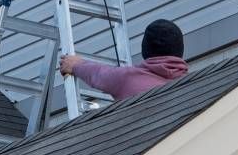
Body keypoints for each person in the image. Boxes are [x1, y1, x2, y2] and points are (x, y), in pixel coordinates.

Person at [59, 19, 188, 101]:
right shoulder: (189, 83)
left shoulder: (128, 79)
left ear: (145, 48)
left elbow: (99, 74)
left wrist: (76, 65)